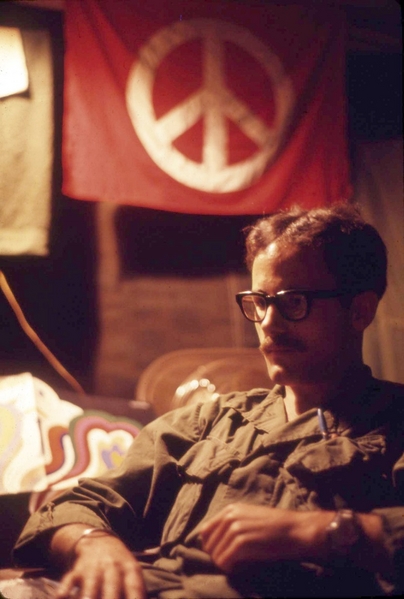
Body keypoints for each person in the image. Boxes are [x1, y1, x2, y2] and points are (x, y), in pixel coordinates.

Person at [13, 203, 404, 598]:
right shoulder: (205, 424)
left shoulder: (393, 421)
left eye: (293, 302)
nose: (268, 323)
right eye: (260, 302)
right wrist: (93, 543)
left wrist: (326, 530)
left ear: (359, 310)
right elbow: (72, 506)